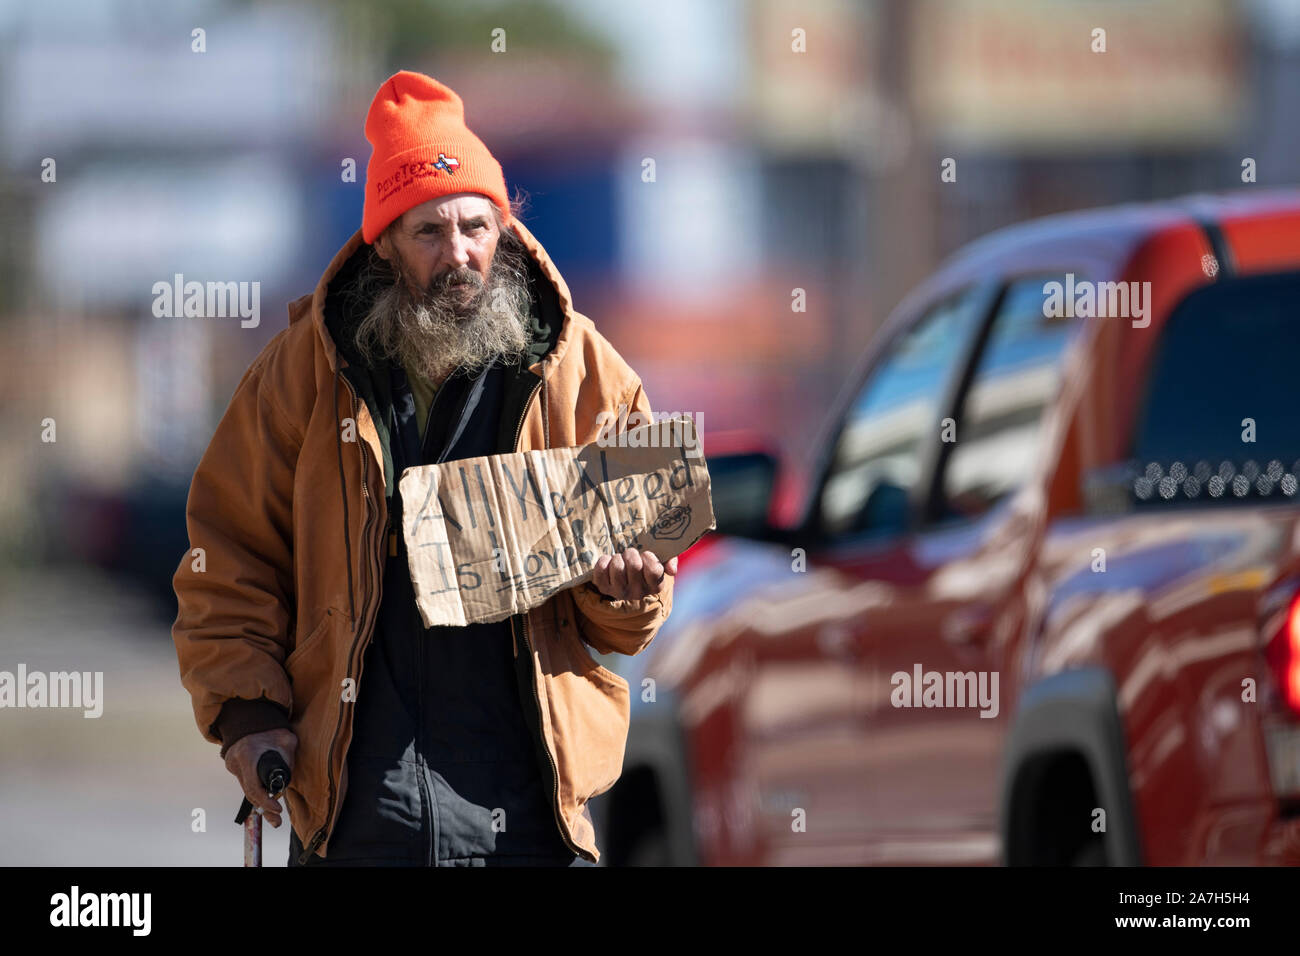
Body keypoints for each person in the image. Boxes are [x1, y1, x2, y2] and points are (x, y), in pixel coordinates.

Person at [171, 70, 675, 867]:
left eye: (476, 226)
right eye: (429, 233)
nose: (459, 255)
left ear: (502, 229)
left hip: (532, 804)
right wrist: (246, 711)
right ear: (384, 244)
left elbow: (636, 596)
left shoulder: (582, 365)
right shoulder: (298, 374)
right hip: (361, 805)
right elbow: (227, 553)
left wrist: (624, 590)